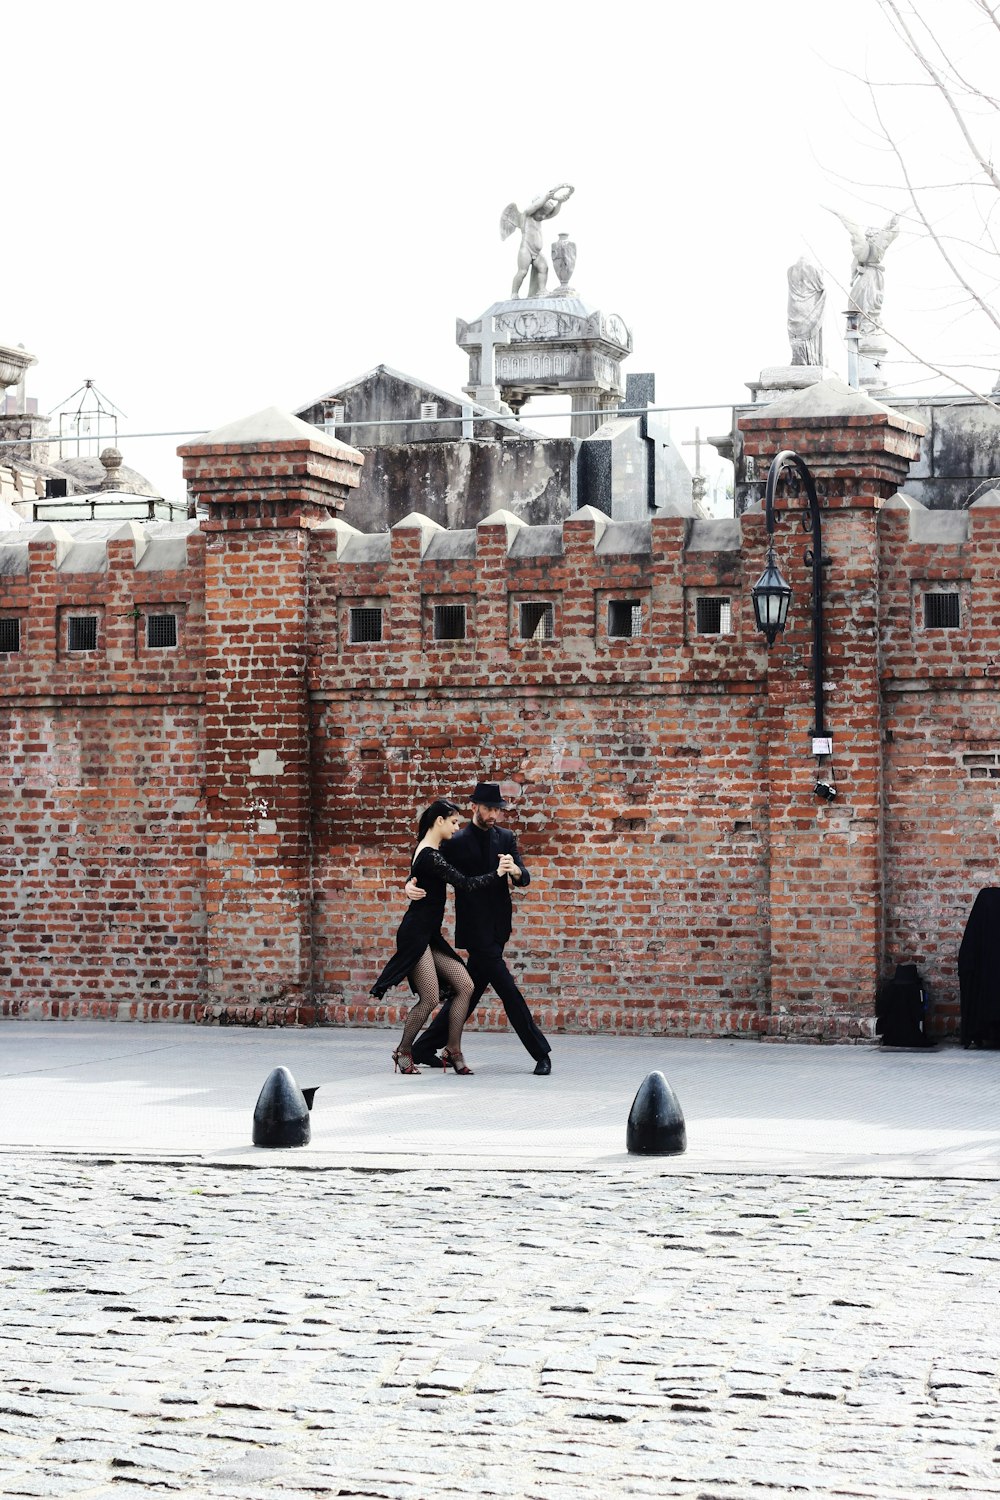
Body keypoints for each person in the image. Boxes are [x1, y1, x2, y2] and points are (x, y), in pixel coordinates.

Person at [408, 783, 553, 1075]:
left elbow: (524, 878)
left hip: (499, 928)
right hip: (475, 930)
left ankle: (423, 1047)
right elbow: (426, 860)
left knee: (468, 993)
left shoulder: (506, 838)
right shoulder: (456, 840)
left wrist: (516, 871)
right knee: (509, 991)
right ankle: (541, 1052)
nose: (493, 815)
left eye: (497, 810)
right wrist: (409, 883)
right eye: (488, 809)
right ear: (475, 807)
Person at [370, 798, 515, 1076]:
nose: (457, 826)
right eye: (453, 822)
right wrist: (497, 874)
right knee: (429, 997)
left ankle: (452, 1048)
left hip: (429, 934)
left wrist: (407, 884)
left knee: (465, 985)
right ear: (440, 821)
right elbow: (466, 883)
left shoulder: (431, 850)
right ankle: (403, 1050)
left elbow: (416, 876)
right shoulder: (430, 855)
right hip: (416, 934)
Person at [501, 184, 574, 299]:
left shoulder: (540, 218)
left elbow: (554, 213)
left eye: (545, 214)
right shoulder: (526, 216)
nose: (543, 216)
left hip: (536, 252)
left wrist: (559, 202)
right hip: (526, 249)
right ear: (536, 210)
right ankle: (514, 292)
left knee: (543, 267)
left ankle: (542, 290)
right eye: (541, 213)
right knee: (522, 272)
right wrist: (546, 197)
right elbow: (532, 208)